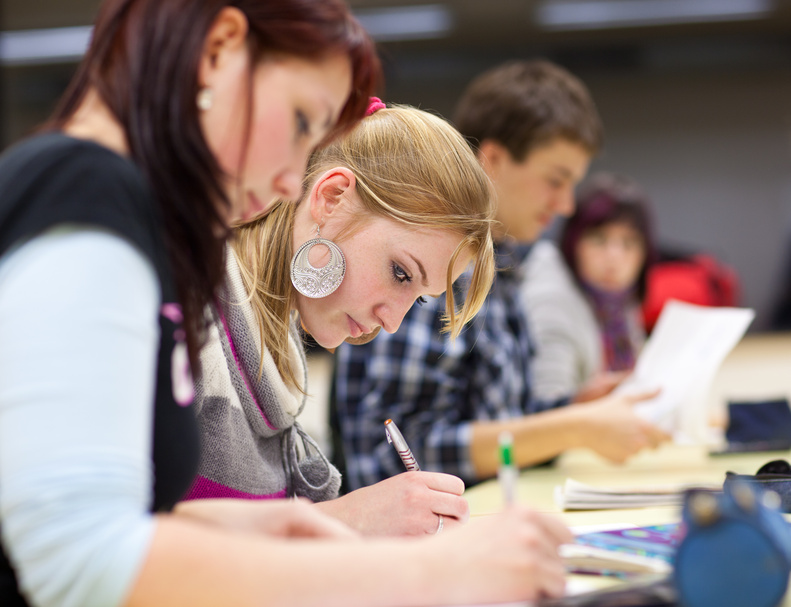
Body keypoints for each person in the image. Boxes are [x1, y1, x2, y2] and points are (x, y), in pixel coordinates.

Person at [0, 2, 572, 606]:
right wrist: (430, 574)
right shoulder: (89, 191)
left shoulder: (127, 213)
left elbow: (117, 516)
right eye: (303, 121)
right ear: (219, 48)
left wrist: (296, 530)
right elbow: (78, 563)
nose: (292, 178)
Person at [332, 59, 669, 493]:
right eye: (555, 179)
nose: (566, 204)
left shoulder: (504, 267)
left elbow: (500, 420)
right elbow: (397, 452)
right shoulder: (429, 261)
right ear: (492, 160)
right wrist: (573, 427)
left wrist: (576, 407)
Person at [184, 102, 496, 537]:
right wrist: (344, 520)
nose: (392, 323)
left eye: (419, 300)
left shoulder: (275, 350)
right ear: (331, 199)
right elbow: (99, 543)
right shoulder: (183, 311)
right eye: (400, 273)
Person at [522, 172, 657, 401]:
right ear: (574, 242)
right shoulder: (551, 299)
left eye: (629, 243)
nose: (614, 258)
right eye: (599, 239)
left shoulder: (617, 302)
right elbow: (547, 407)